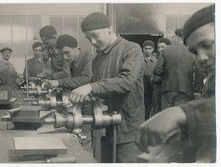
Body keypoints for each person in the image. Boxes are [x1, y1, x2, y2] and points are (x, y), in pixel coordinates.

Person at [136, 4, 215, 162]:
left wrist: (182, 113)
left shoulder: (165, 53)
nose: (201, 57)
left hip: (167, 91)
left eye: (207, 45)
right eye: (194, 51)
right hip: (185, 92)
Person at [69, 12, 145, 163]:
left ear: (110, 29)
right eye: (88, 38)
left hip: (127, 126)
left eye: (95, 35)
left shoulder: (131, 49)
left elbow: (126, 81)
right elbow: (97, 91)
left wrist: (91, 86)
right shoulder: (98, 58)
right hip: (104, 128)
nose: (92, 41)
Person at [154, 28, 197, 110]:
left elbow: (158, 70)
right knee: (181, 116)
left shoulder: (165, 50)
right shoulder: (192, 51)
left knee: (166, 116)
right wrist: (197, 90)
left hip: (167, 89)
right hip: (186, 90)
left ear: (178, 36)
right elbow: (199, 71)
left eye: (174, 36)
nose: (173, 38)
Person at [151, 37, 172, 115]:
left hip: (164, 88)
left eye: (163, 47)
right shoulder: (157, 58)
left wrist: (153, 79)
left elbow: (158, 72)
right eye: (159, 47)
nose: (160, 49)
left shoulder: (167, 58)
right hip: (157, 89)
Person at [142, 40, 157, 120]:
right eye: (146, 48)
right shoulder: (139, 59)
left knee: (150, 107)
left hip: (152, 88)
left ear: (153, 49)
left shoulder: (156, 61)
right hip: (141, 87)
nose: (148, 51)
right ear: (143, 49)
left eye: (150, 49)